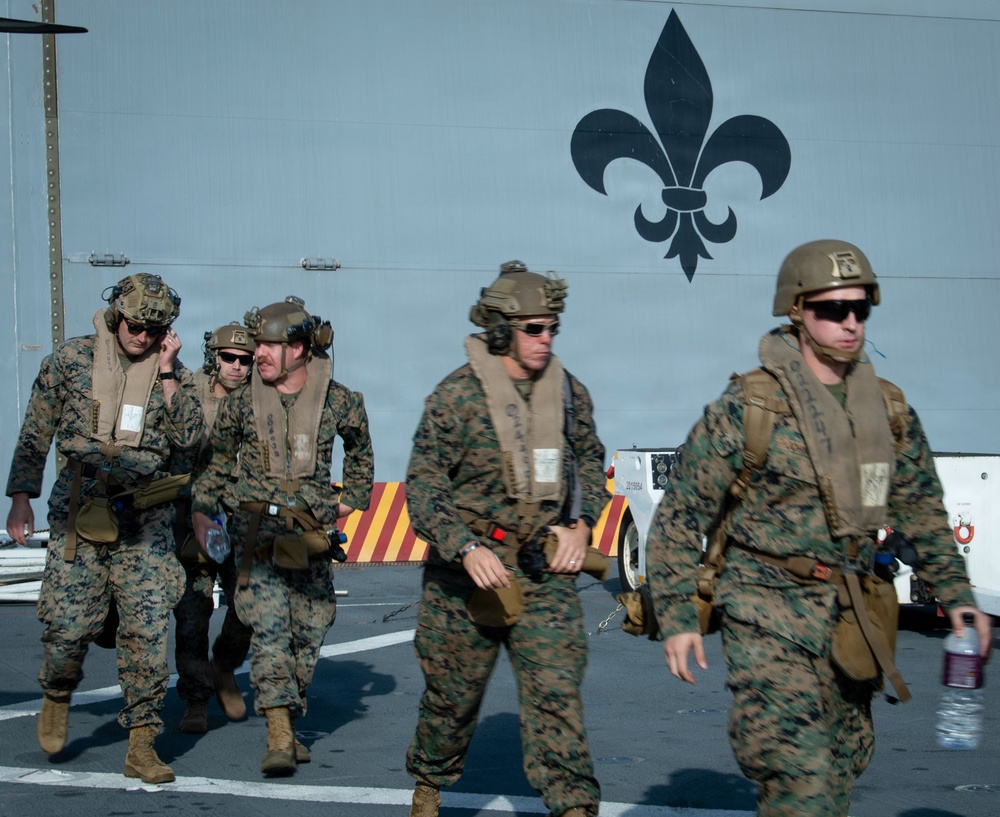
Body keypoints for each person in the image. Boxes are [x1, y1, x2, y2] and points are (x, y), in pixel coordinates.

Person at [644, 239, 994, 817]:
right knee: (797, 776)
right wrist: (678, 618)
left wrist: (957, 596)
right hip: (766, 611)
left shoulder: (888, 410)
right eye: (833, 309)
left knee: (840, 769)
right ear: (797, 311)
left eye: (861, 308)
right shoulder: (751, 405)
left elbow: (921, 509)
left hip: (853, 615)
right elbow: (682, 515)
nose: (850, 322)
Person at [404, 261, 607, 817]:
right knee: (452, 701)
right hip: (465, 579)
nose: (546, 340)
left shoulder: (568, 393)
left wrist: (582, 522)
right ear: (500, 332)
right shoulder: (456, 397)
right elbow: (424, 484)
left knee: (557, 697)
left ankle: (574, 806)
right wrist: (465, 546)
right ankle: (429, 784)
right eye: (533, 329)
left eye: (552, 329)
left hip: (543, 574)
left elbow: (590, 458)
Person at [5, 273, 202, 784]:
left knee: (147, 629)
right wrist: (21, 498)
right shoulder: (70, 360)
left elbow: (189, 441)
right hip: (81, 505)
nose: (143, 336)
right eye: (136, 326)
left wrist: (167, 372)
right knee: (68, 628)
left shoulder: (176, 374)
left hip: (145, 515)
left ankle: (142, 743)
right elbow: (36, 431)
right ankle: (57, 688)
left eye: (155, 330)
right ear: (117, 315)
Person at [190, 296, 373, 777]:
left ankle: (284, 711)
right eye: (258, 346)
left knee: (311, 626)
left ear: (298, 349)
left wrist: (353, 498)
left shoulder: (339, 400)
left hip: (310, 534)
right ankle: (279, 734)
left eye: (268, 346)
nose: (258, 355)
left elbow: (359, 446)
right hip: (255, 532)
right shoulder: (242, 402)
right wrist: (203, 511)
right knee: (269, 628)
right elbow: (216, 460)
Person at [172, 323, 255, 734]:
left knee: (249, 606)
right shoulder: (190, 393)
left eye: (245, 360)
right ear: (214, 357)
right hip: (194, 517)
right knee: (192, 614)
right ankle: (195, 699)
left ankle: (223, 666)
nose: (236, 366)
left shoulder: (261, 401)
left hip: (242, 520)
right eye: (228, 358)